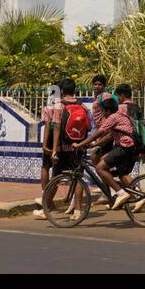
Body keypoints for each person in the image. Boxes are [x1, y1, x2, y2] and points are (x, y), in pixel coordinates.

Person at [76, 96, 137, 209]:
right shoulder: (120, 116)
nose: (102, 113)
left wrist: (80, 144)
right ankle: (125, 194)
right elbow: (109, 136)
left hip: (124, 148)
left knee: (99, 168)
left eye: (103, 111)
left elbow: (99, 133)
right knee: (108, 170)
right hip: (128, 148)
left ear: (108, 110)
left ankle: (121, 193)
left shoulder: (112, 117)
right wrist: (94, 145)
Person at [49, 78, 88, 216]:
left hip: (63, 148)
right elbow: (87, 127)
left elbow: (57, 128)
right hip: (78, 148)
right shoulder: (82, 106)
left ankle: (46, 208)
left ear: (62, 91)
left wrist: (54, 150)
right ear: (74, 90)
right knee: (78, 178)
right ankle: (77, 210)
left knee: (55, 178)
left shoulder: (59, 106)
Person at [32, 93, 62, 219]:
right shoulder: (65, 106)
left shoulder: (48, 108)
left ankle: (46, 197)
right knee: (57, 172)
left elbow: (48, 126)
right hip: (63, 140)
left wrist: (44, 145)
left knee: (45, 166)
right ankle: (48, 199)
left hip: (51, 139)